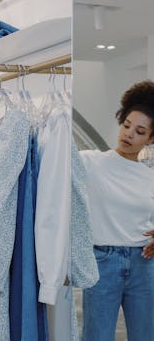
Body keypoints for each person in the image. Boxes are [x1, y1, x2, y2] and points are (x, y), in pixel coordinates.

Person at [80, 80, 154, 341]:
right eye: (126, 125)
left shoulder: (149, 177)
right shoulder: (90, 162)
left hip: (144, 264)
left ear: (150, 138)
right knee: (96, 336)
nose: (129, 134)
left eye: (140, 131)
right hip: (102, 262)